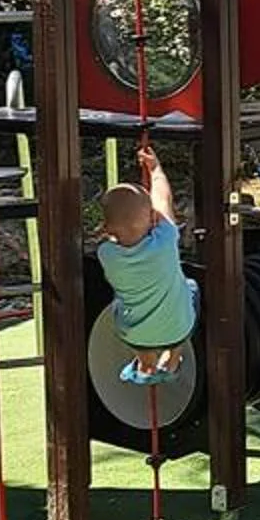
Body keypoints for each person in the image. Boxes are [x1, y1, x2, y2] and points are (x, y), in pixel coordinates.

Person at [98, 142, 199, 389]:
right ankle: (172, 359)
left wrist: (111, 232)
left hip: (135, 335)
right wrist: (155, 170)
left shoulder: (107, 254)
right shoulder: (165, 238)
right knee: (191, 288)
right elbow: (163, 199)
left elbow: (111, 238)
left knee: (120, 304)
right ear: (153, 218)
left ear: (107, 228)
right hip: (178, 328)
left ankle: (146, 365)